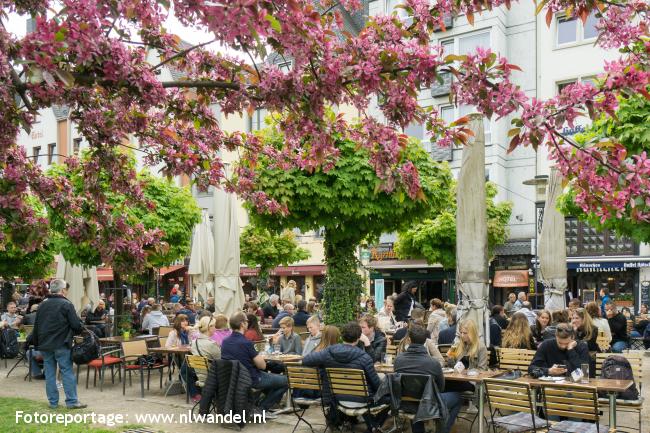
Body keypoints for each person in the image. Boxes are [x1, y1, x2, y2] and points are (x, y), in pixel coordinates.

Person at [302, 322, 387, 433]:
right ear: (358, 338)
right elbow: (376, 385)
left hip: (336, 399)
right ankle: (374, 426)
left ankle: (358, 423)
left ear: (341, 337)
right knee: (389, 397)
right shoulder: (364, 357)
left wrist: (324, 365)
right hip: (362, 401)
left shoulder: (329, 351)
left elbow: (306, 360)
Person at [394, 325, 462, 433]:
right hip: (429, 404)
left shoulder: (398, 360)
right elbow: (441, 387)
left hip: (406, 403)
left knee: (414, 397)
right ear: (426, 341)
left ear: (409, 340)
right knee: (458, 397)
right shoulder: (433, 363)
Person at [33, 279, 86, 409]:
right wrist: (80, 326)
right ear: (63, 290)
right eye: (66, 289)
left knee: (50, 374)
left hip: (45, 344)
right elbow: (76, 325)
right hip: (61, 343)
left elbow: (37, 326)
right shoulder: (66, 304)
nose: (67, 291)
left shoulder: (42, 305)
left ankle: (53, 403)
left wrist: (36, 343)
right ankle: (72, 402)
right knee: (66, 371)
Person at [221, 312, 287, 415]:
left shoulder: (225, 342)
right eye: (246, 321)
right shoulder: (246, 343)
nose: (248, 323)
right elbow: (262, 366)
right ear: (242, 324)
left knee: (272, 380)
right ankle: (261, 408)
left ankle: (255, 405)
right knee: (287, 380)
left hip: (233, 378)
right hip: (251, 379)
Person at [189, 316, 221, 402]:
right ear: (209, 327)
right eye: (214, 326)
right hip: (213, 378)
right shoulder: (211, 344)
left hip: (200, 376)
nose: (215, 328)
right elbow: (221, 362)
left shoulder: (193, 343)